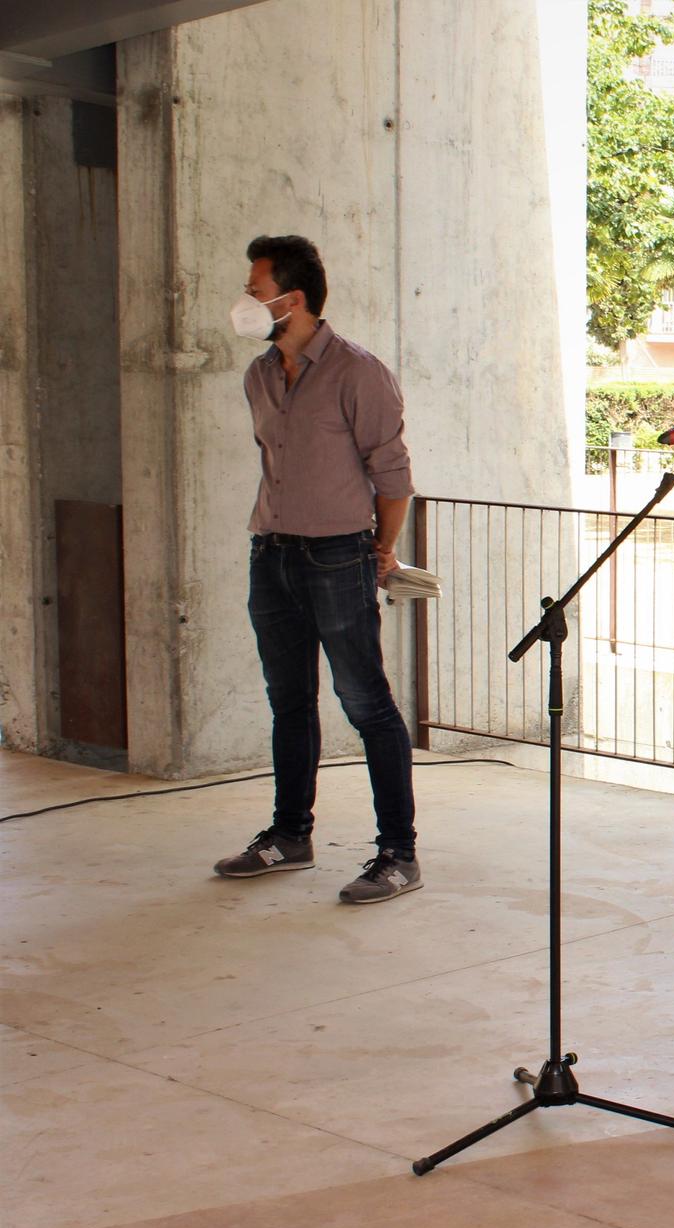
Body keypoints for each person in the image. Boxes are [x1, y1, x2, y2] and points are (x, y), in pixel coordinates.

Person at [211, 235, 422, 904]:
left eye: (254, 287)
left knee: (366, 704)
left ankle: (398, 853)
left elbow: (393, 479)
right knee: (289, 700)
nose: (246, 300)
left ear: (291, 299)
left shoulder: (360, 374)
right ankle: (289, 835)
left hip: (338, 556)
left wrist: (380, 549)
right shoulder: (258, 376)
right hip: (271, 554)